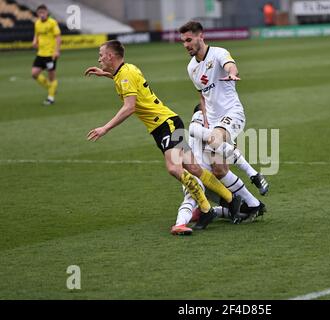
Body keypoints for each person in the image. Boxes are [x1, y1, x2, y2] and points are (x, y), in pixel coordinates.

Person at [84, 40, 242, 230]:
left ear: (111, 56)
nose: (99, 58)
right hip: (168, 123)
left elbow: (129, 107)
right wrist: (106, 74)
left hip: (165, 126)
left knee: (174, 168)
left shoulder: (125, 75)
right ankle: (232, 199)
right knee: (193, 168)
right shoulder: (127, 70)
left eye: (101, 55)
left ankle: (207, 210)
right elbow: (126, 81)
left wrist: (105, 128)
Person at [179, 21, 268, 221]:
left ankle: (254, 174)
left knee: (214, 139)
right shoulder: (192, 67)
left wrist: (232, 74)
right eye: (183, 41)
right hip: (214, 120)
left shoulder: (218, 52)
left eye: (189, 40)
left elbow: (230, 66)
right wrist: (207, 121)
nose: (186, 45)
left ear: (201, 36)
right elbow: (202, 96)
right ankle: (254, 205)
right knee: (219, 171)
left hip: (232, 113)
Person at [171, 105, 267, 235]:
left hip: (200, 175)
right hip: (207, 178)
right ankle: (245, 204)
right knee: (218, 176)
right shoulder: (205, 118)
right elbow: (229, 150)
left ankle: (180, 223)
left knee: (192, 196)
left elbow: (195, 129)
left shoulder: (206, 119)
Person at [31, 4, 61, 105]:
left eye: (43, 12)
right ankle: (51, 87)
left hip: (50, 54)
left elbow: (58, 37)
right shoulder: (37, 23)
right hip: (40, 53)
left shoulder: (52, 23)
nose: (42, 14)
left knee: (51, 76)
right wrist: (34, 41)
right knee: (34, 73)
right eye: (40, 13)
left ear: (47, 12)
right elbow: (37, 34)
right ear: (37, 13)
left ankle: (50, 98)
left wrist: (57, 51)